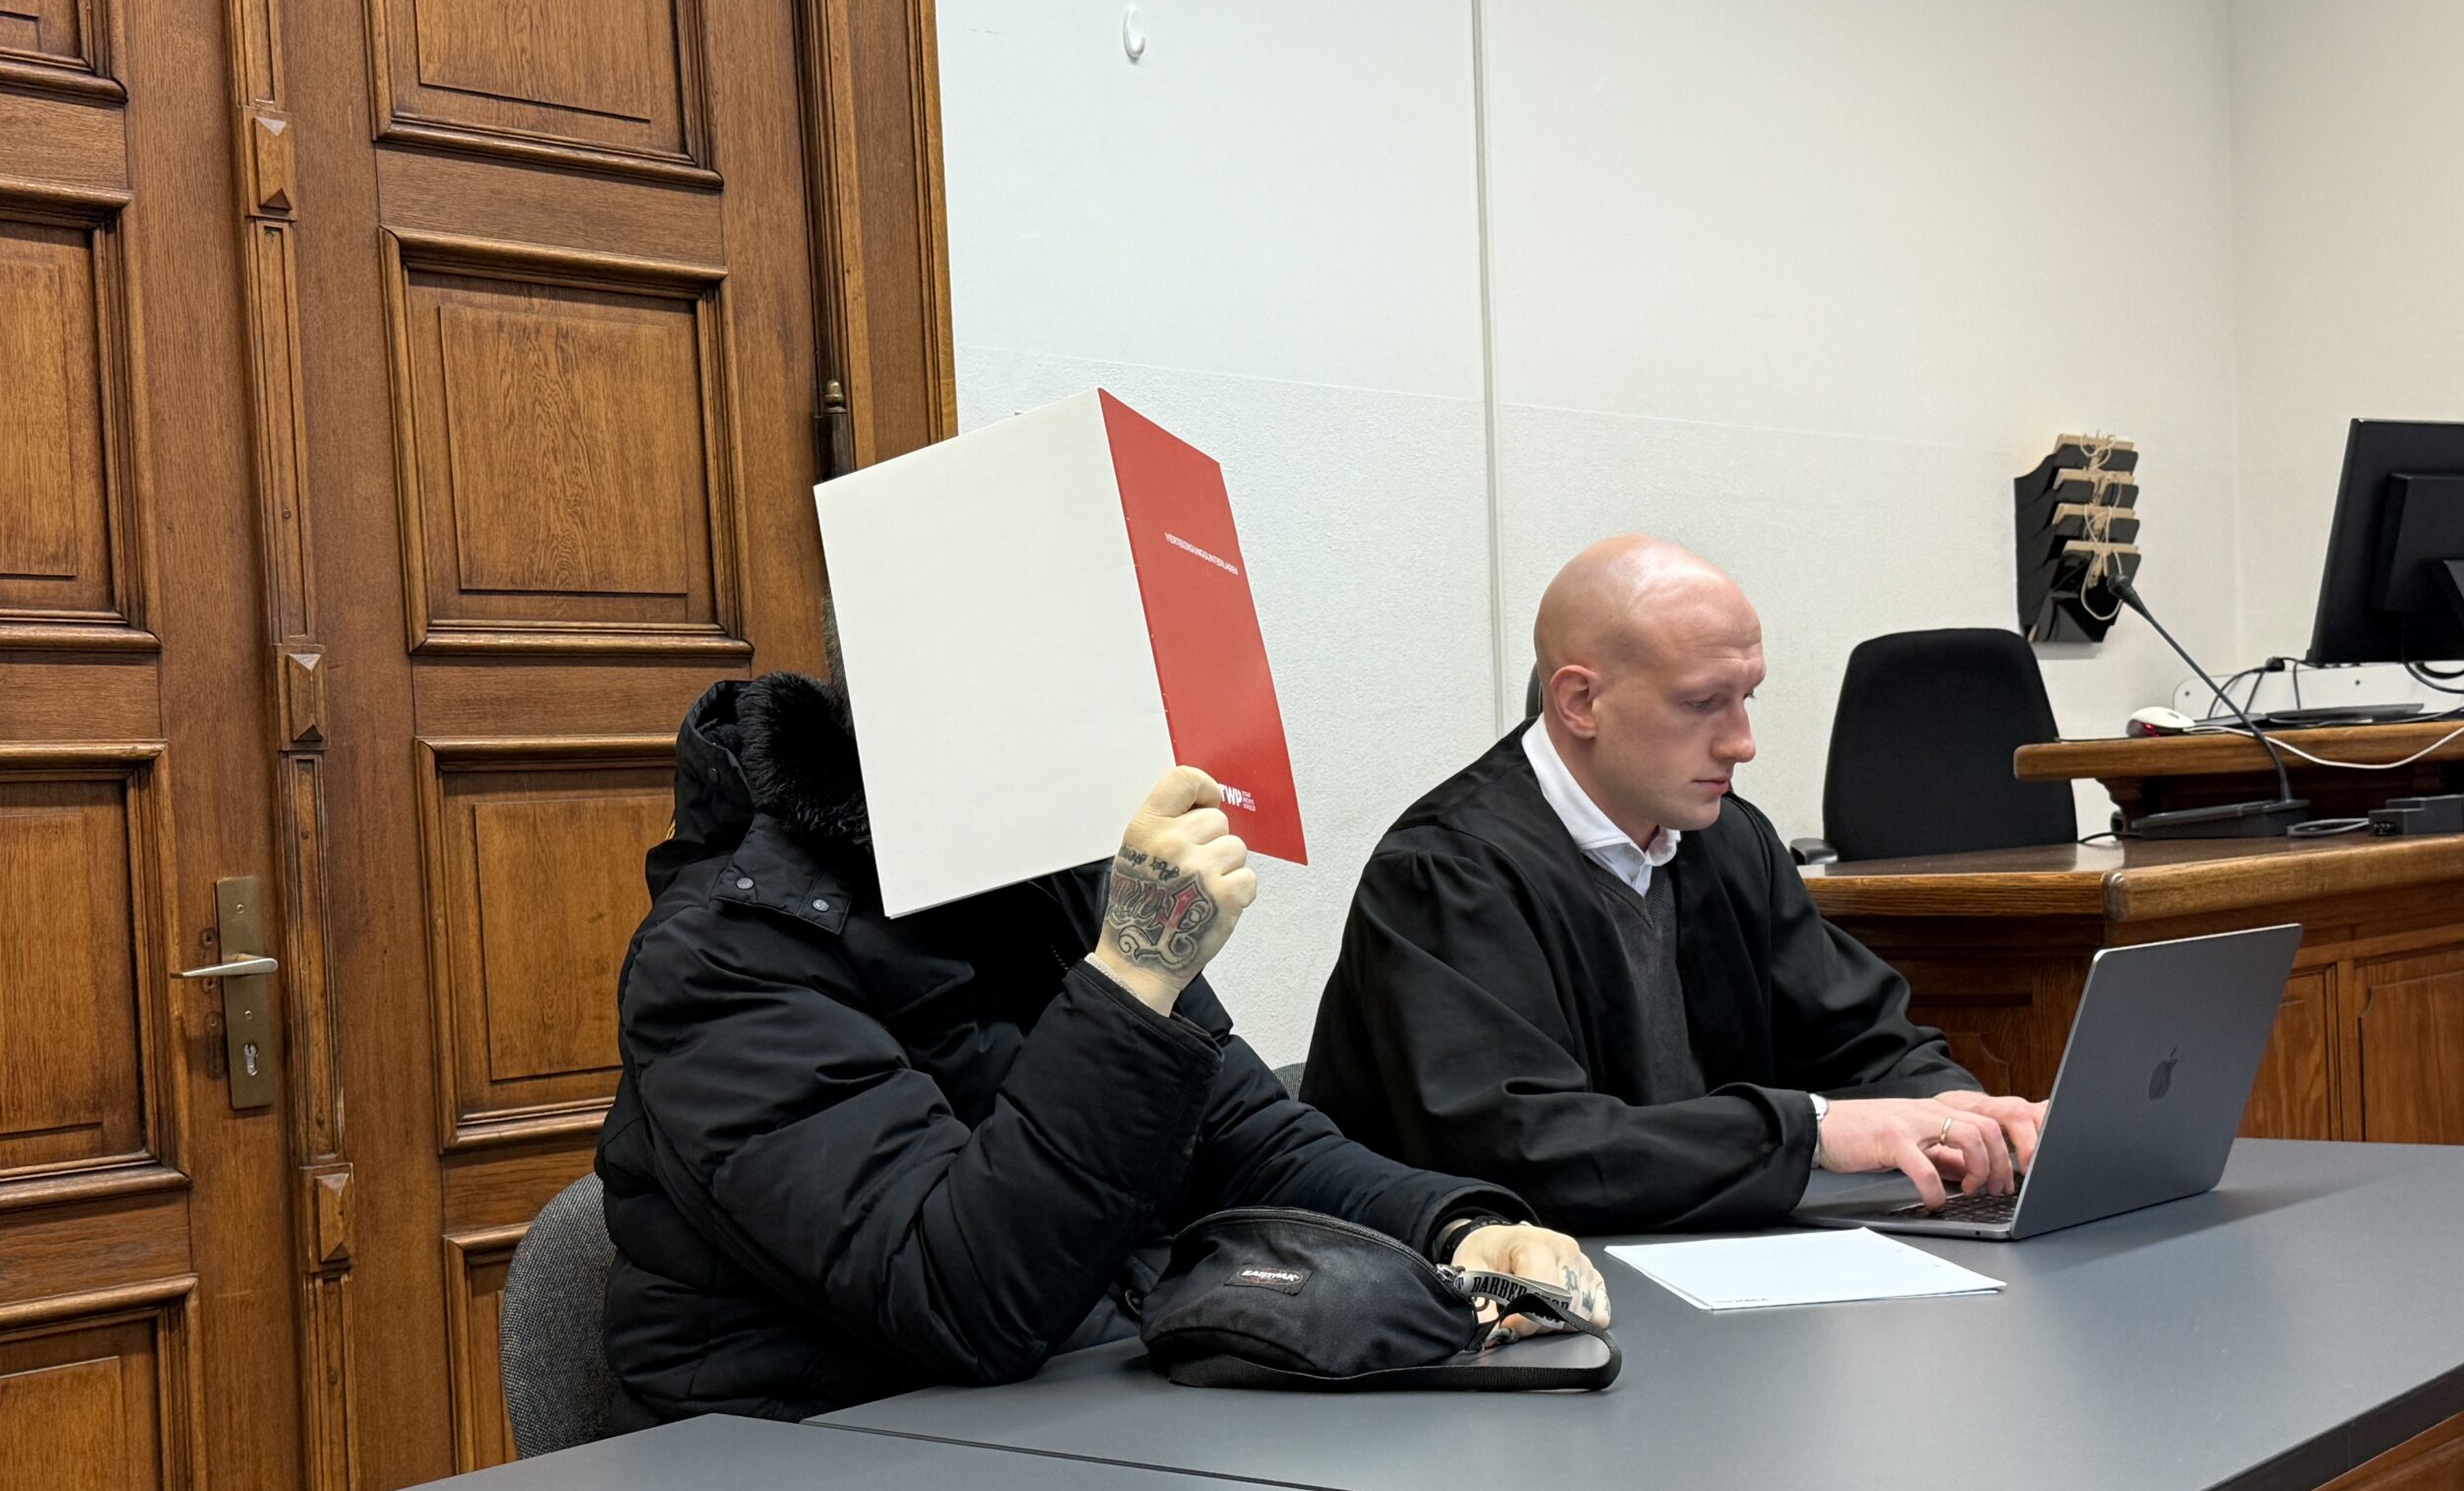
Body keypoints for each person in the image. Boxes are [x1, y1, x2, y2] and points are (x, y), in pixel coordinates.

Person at [597, 669, 1609, 1426]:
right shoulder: (724, 955)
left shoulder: (1038, 883)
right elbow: (963, 1297)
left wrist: (1454, 1231)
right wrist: (1132, 973)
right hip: (814, 1485)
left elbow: (1250, 1138)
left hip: (1065, 1429)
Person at [1302, 535, 2046, 1234]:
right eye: (1700, 703)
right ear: (1580, 702)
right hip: (1491, 1290)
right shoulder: (1448, 873)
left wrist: (1955, 1108)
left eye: (1748, 697)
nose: (1742, 743)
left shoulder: (1729, 839)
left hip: (1698, 1254)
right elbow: (1522, 1151)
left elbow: (1862, 1039)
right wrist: (1813, 1131)